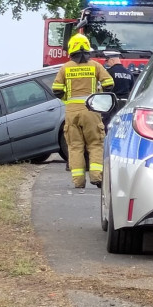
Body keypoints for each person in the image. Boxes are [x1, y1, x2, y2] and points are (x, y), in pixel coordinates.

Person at [52, 33, 114, 191]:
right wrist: (98, 95)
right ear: (87, 49)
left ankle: (78, 182)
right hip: (92, 110)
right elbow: (109, 83)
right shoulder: (95, 66)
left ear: (71, 49)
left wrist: (68, 99)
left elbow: (57, 90)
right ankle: (96, 177)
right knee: (95, 144)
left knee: (75, 146)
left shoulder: (65, 68)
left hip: (72, 113)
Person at [101, 50, 134, 132]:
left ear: (112, 60)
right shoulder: (129, 73)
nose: (107, 64)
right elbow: (132, 90)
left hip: (112, 104)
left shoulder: (108, 72)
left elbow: (104, 88)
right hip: (124, 104)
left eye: (107, 61)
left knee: (108, 125)